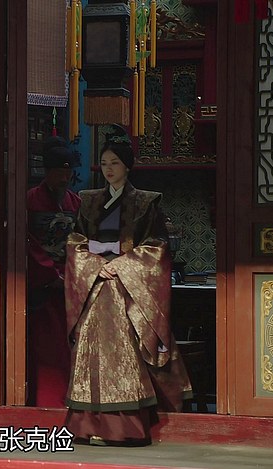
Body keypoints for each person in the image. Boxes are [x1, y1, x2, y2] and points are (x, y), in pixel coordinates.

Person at [63, 126, 191, 446]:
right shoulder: (89, 201)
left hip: (126, 287)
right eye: (105, 163)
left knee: (123, 352)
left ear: (127, 167)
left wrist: (121, 264)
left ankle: (124, 427)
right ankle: (87, 424)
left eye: (115, 163)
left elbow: (157, 246)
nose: (109, 169)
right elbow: (75, 242)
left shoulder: (146, 202)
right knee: (90, 352)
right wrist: (96, 265)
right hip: (96, 286)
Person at [26, 136, 82, 407]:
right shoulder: (30, 200)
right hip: (42, 283)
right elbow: (27, 242)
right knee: (46, 347)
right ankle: (45, 401)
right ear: (47, 172)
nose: (64, 179)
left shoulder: (75, 202)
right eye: (59, 172)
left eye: (68, 173)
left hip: (70, 282)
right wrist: (50, 275)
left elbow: (82, 242)